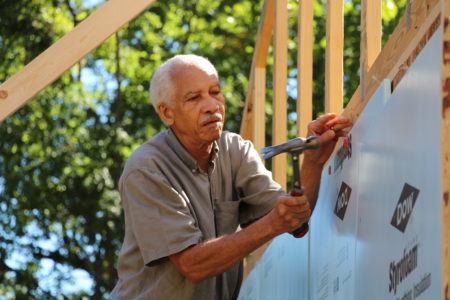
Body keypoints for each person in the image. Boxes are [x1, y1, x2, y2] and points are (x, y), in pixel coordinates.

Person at [110, 54, 352, 300]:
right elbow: (192, 265)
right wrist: (271, 224)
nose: (212, 105)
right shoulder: (147, 168)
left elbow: (294, 219)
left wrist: (312, 161)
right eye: (194, 98)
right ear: (166, 113)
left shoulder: (234, 150)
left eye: (215, 92)